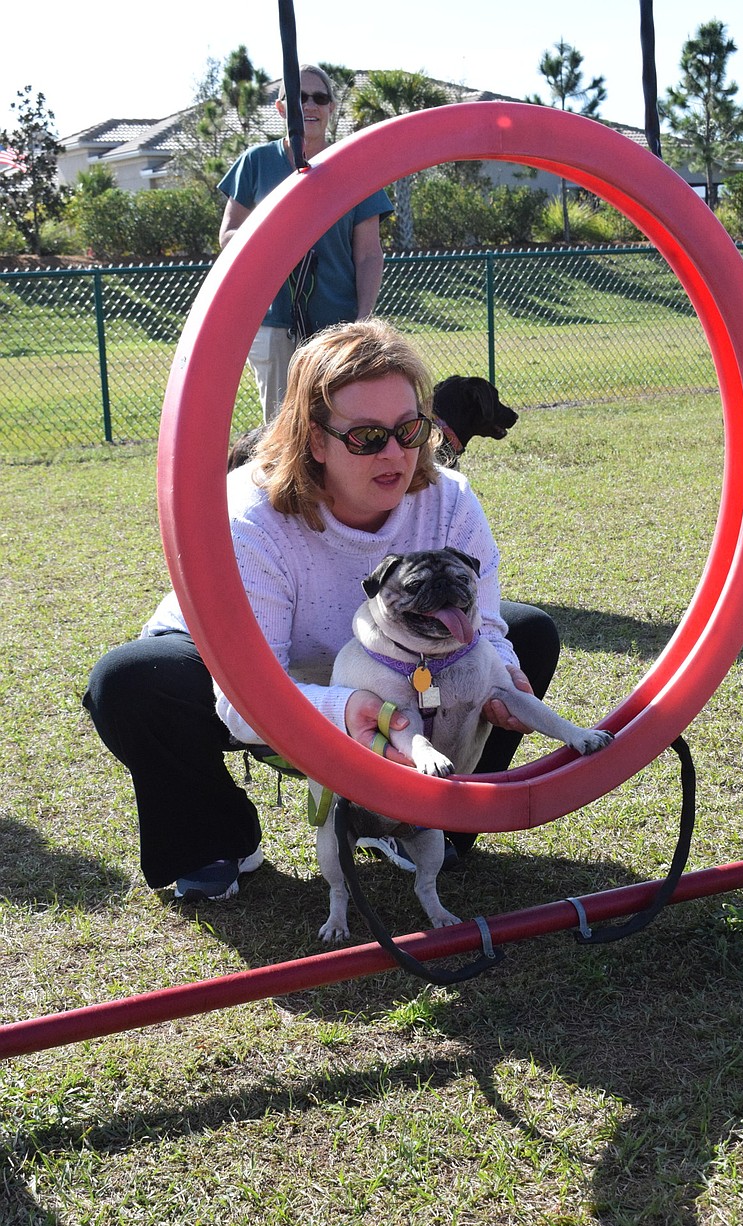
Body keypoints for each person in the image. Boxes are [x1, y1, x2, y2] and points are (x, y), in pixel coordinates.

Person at [84, 319, 560, 904]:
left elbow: (485, 626)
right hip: (243, 676)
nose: (395, 453)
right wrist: (352, 709)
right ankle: (213, 837)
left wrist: (503, 673)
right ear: (313, 439)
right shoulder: (249, 515)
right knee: (132, 681)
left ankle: (425, 817)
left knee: (529, 633)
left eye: (410, 430)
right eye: (366, 437)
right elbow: (242, 702)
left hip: (392, 670)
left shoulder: (448, 498)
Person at [219, 64, 393, 424]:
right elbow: (228, 236)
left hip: (338, 323)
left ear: (331, 108)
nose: (309, 106)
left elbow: (369, 254)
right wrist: (276, 241)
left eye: (319, 98)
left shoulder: (356, 165)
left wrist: (362, 319)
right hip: (274, 321)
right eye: (298, 98)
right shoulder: (257, 162)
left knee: (339, 423)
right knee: (283, 428)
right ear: (282, 108)